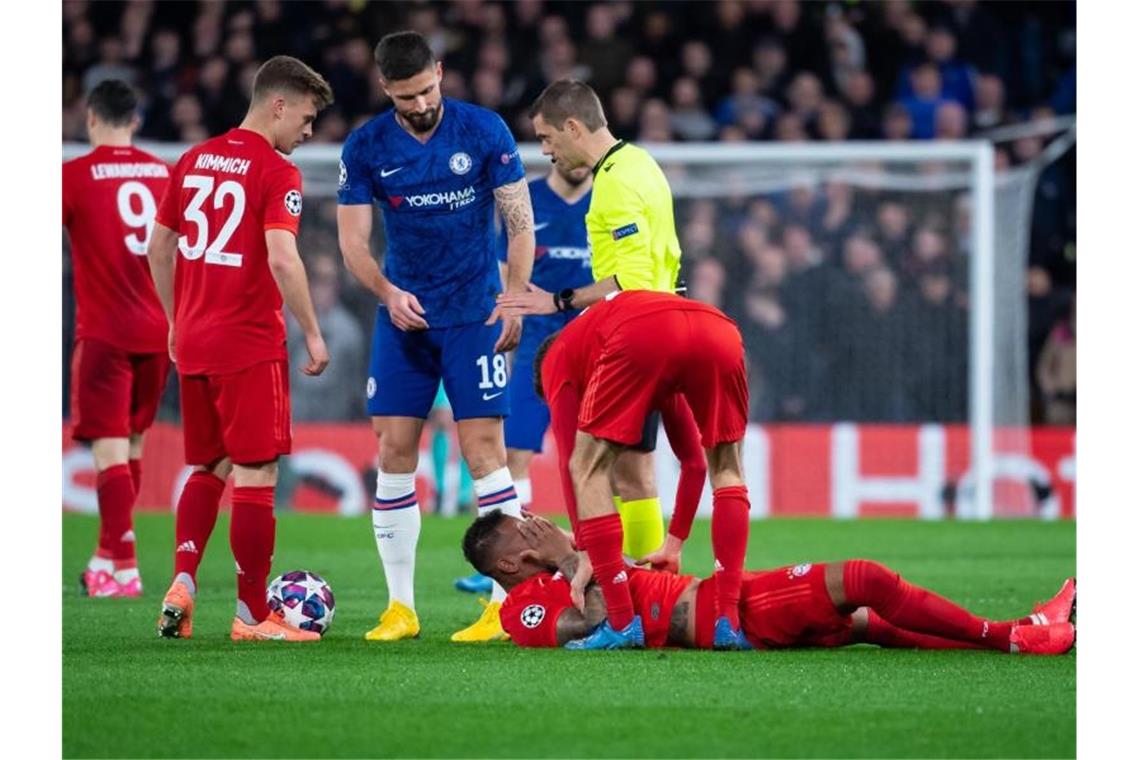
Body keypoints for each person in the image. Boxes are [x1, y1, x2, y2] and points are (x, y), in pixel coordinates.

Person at [336, 31, 536, 642]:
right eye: (405, 97)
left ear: (441, 73)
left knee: (485, 454)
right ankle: (401, 608)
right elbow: (352, 244)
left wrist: (515, 298)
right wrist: (386, 293)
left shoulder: (483, 131)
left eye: (426, 90)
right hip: (404, 319)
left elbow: (519, 225)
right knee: (393, 452)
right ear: (385, 89)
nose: (420, 104)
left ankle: (502, 609)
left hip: (475, 316)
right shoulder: (366, 145)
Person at [147, 55, 334, 642]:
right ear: (277, 104)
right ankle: (254, 615)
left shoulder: (193, 159)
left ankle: (183, 579)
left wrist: (176, 321)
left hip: (197, 339)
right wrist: (311, 329)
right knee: (256, 473)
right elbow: (282, 256)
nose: (308, 133)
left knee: (210, 466)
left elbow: (158, 247)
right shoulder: (277, 173)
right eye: (305, 119)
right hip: (249, 340)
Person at [498, 79, 692, 584]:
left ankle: (607, 583)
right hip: (661, 323)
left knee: (586, 468)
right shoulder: (642, 163)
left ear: (572, 127)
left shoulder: (614, 182)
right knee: (633, 468)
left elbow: (630, 275)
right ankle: (652, 584)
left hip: (629, 335)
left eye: (546, 138)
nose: (544, 149)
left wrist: (560, 300)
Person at [464, 511, 1077, 655]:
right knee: (862, 579)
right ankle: (1010, 638)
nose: (538, 525)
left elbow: (624, 593)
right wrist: (570, 558)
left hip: (714, 594)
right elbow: (596, 625)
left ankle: (1033, 628)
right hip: (722, 617)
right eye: (526, 531)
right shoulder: (523, 611)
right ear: (511, 562)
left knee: (868, 624)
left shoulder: (568, 562)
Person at [535, 290, 752, 650]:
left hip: (642, 336)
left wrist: (585, 549)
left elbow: (569, 460)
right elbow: (694, 461)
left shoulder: (555, 360)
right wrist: (674, 543)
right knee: (728, 467)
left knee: (589, 467)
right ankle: (727, 621)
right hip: (717, 326)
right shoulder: (609, 337)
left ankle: (622, 624)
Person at [453, 159, 595, 598]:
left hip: (594, 344)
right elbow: (500, 266)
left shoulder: (607, 199)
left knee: (602, 458)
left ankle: (604, 556)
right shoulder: (528, 198)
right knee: (513, 451)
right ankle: (510, 557)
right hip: (535, 346)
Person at [63, 79, 172, 598]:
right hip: (159, 331)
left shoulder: (73, 176)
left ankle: (124, 569)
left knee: (108, 450)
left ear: (90, 119)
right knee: (131, 444)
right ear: (135, 120)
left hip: (105, 332)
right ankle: (104, 558)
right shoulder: (162, 173)